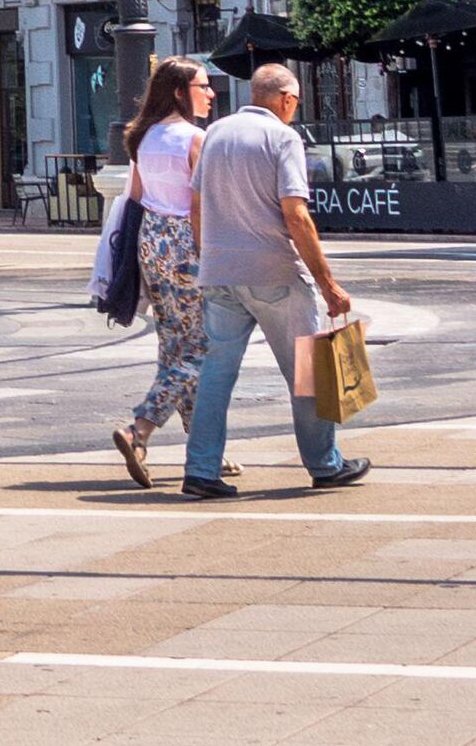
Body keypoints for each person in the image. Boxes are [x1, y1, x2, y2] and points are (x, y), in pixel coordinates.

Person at [181, 59, 365, 499]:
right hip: (274, 273)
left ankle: (201, 469)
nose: (294, 110)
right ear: (285, 100)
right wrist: (328, 285)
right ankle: (324, 464)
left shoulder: (217, 132)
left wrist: (210, 257)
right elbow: (296, 215)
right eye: (295, 102)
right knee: (307, 372)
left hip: (220, 273)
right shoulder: (283, 137)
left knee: (215, 374)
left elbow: (196, 204)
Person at [108, 54, 217, 490]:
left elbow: (134, 196)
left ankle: (205, 449)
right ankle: (140, 429)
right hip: (186, 246)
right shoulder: (195, 139)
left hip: (151, 243)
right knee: (201, 350)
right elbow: (198, 205)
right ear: (178, 92)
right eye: (202, 87)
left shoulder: (144, 138)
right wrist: (208, 254)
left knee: (175, 346)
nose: (210, 94)